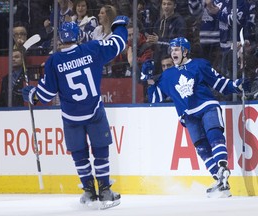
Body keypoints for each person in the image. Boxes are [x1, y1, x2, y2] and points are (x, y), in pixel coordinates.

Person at [22, 16, 128, 208]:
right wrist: (119, 26)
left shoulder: (54, 61)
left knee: (79, 153)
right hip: (94, 111)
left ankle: (88, 192)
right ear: (78, 36)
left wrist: (30, 94)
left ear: (61, 39)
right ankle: (104, 190)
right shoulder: (92, 49)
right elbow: (118, 43)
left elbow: (44, 96)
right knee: (101, 150)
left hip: (71, 116)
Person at [141, 37, 250, 198]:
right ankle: (220, 180)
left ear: (185, 51)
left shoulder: (199, 64)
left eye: (176, 49)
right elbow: (155, 98)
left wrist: (236, 86)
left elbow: (219, 82)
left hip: (207, 107)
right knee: (202, 148)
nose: (173, 53)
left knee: (215, 136)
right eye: (172, 50)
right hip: (189, 116)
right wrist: (148, 80)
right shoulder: (167, 75)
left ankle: (222, 168)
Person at [146, 0, 187, 74]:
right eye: (164, 4)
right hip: (158, 59)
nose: (166, 6)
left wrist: (159, 40)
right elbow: (156, 41)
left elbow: (180, 43)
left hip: (171, 60)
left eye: (169, 4)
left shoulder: (179, 22)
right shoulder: (159, 22)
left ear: (174, 6)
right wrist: (151, 42)